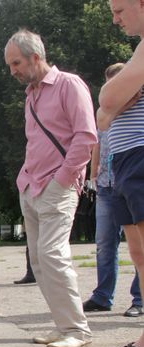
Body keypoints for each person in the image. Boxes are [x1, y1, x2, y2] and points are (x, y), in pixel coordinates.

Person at [4, 29, 96, 347]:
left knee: (53, 255)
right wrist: (25, 180)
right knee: (40, 261)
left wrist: (62, 179)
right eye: (10, 65)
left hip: (57, 186)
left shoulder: (69, 85)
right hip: (30, 185)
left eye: (16, 63)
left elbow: (86, 137)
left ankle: (77, 330)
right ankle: (63, 326)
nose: (12, 70)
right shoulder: (31, 95)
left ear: (36, 57)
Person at [97, 0, 144, 347]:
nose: (114, 19)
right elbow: (103, 114)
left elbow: (108, 101)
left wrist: (113, 101)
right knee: (139, 253)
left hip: (142, 155)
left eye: (119, 9)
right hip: (127, 162)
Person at [83, 63, 142, 316]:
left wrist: (114, 109)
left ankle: (139, 301)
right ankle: (103, 296)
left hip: (135, 165)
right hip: (110, 182)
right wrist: (92, 175)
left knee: (141, 245)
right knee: (110, 244)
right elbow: (100, 125)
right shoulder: (111, 106)